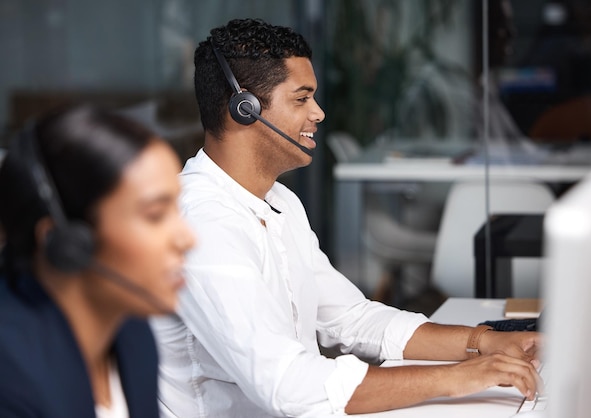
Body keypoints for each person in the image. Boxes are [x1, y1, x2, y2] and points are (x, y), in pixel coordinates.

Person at [150, 18, 542, 417]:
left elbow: (352, 320)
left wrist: (483, 342)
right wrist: (458, 377)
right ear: (245, 109)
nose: (318, 113)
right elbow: (288, 386)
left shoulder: (278, 202)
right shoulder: (203, 223)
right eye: (301, 99)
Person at [0, 104, 196, 417]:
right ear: (66, 241)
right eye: (156, 216)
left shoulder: (131, 332)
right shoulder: (11, 380)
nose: (188, 239)